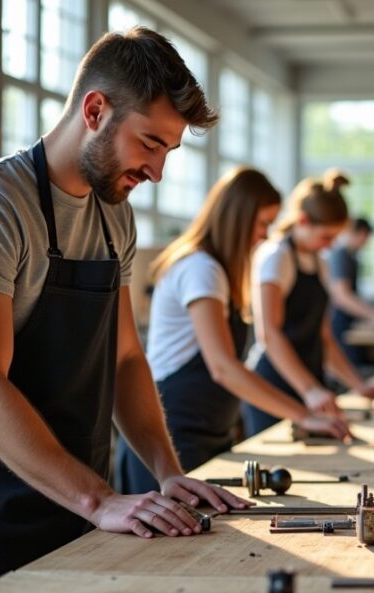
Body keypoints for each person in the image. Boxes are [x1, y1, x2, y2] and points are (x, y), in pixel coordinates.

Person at [0, 27, 250, 593]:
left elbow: (122, 358)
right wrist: (99, 501)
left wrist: (166, 471)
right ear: (95, 110)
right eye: (149, 143)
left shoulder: (113, 218)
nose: (157, 171)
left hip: (77, 498)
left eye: (168, 151)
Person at [115, 167, 351, 493]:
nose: (267, 234)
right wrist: (302, 415)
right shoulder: (201, 269)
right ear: (238, 218)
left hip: (207, 434)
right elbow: (223, 367)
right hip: (170, 441)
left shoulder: (219, 271)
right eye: (263, 223)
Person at [242, 170, 374, 438]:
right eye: (326, 237)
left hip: (310, 387)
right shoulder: (276, 257)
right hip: (275, 388)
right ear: (302, 220)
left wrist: (359, 386)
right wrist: (309, 389)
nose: (331, 245)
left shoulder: (319, 263)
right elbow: (269, 334)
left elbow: (324, 338)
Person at [328, 216, 374, 366]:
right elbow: (342, 296)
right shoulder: (340, 256)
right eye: (366, 236)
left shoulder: (352, 258)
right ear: (361, 234)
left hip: (349, 322)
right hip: (338, 323)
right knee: (352, 366)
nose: (367, 241)